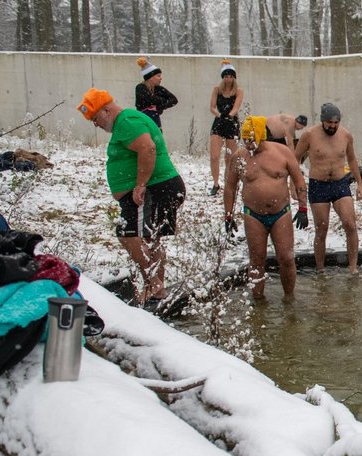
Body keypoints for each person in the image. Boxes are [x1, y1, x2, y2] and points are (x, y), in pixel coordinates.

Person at [77, 88, 186, 310]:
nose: (96, 124)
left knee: (127, 234)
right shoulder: (128, 120)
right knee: (150, 238)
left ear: (106, 110)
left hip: (154, 188)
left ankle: (153, 284)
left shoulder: (126, 121)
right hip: (158, 187)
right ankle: (157, 288)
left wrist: (140, 184)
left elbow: (148, 148)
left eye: (96, 118)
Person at [224, 116, 307, 300]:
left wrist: (303, 208)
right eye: (245, 139)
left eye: (251, 138)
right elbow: (230, 187)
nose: (248, 143)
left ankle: (289, 298)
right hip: (253, 215)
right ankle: (258, 303)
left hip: (281, 214)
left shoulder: (282, 152)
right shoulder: (240, 157)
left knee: (286, 258)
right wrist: (228, 216)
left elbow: (299, 180)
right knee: (257, 260)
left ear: (261, 135)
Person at [293, 103, 362, 273]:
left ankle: (353, 268)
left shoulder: (346, 135)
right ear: (322, 120)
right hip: (319, 185)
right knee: (322, 228)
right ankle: (320, 269)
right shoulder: (309, 135)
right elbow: (294, 159)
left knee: (350, 224)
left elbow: (352, 160)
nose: (332, 126)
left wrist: (360, 183)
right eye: (329, 123)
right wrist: (293, 184)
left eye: (336, 123)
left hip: (340, 183)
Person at [208, 59, 244, 196]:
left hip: (231, 123)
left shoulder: (238, 91)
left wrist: (229, 115)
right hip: (218, 122)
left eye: (230, 76)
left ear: (234, 78)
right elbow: (211, 107)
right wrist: (219, 115)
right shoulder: (216, 90)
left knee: (230, 157)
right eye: (226, 76)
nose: (228, 79)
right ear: (222, 78)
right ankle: (216, 183)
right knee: (214, 156)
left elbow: (236, 107)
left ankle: (229, 181)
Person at [134, 57, 177, 130]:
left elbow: (174, 100)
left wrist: (158, 107)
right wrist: (163, 100)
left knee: (157, 141)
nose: (161, 78)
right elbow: (151, 99)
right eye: (158, 76)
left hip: (156, 123)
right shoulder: (140, 87)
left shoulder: (158, 88)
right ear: (150, 77)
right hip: (143, 123)